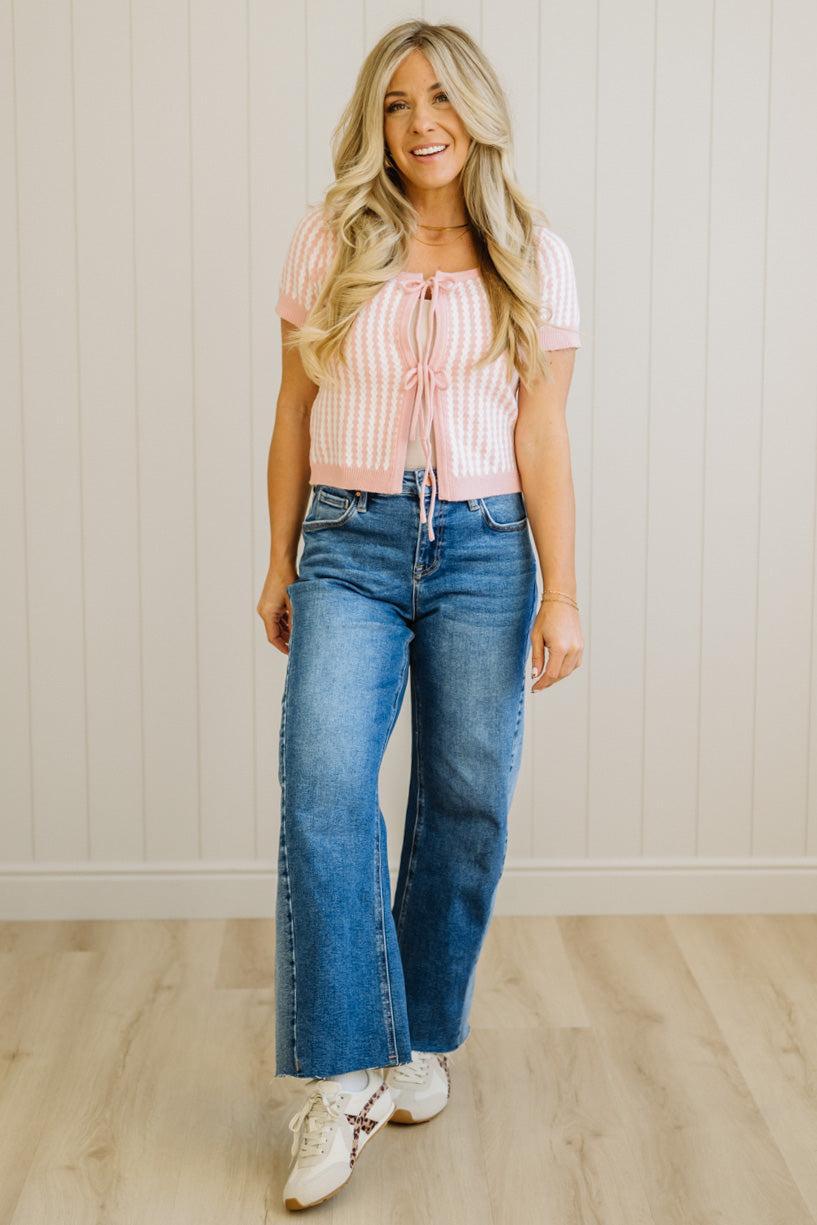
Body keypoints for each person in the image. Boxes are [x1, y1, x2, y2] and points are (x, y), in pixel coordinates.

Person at [256, 18, 583, 1213]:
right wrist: (279, 560)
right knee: (326, 785)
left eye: (439, 98)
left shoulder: (532, 252)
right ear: (374, 123)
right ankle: (343, 1075)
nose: (420, 121)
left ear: (476, 112)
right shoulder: (330, 237)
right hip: (349, 541)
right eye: (395, 103)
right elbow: (292, 413)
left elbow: (542, 430)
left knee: (464, 795)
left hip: (488, 551)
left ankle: (418, 1041)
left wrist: (564, 589)